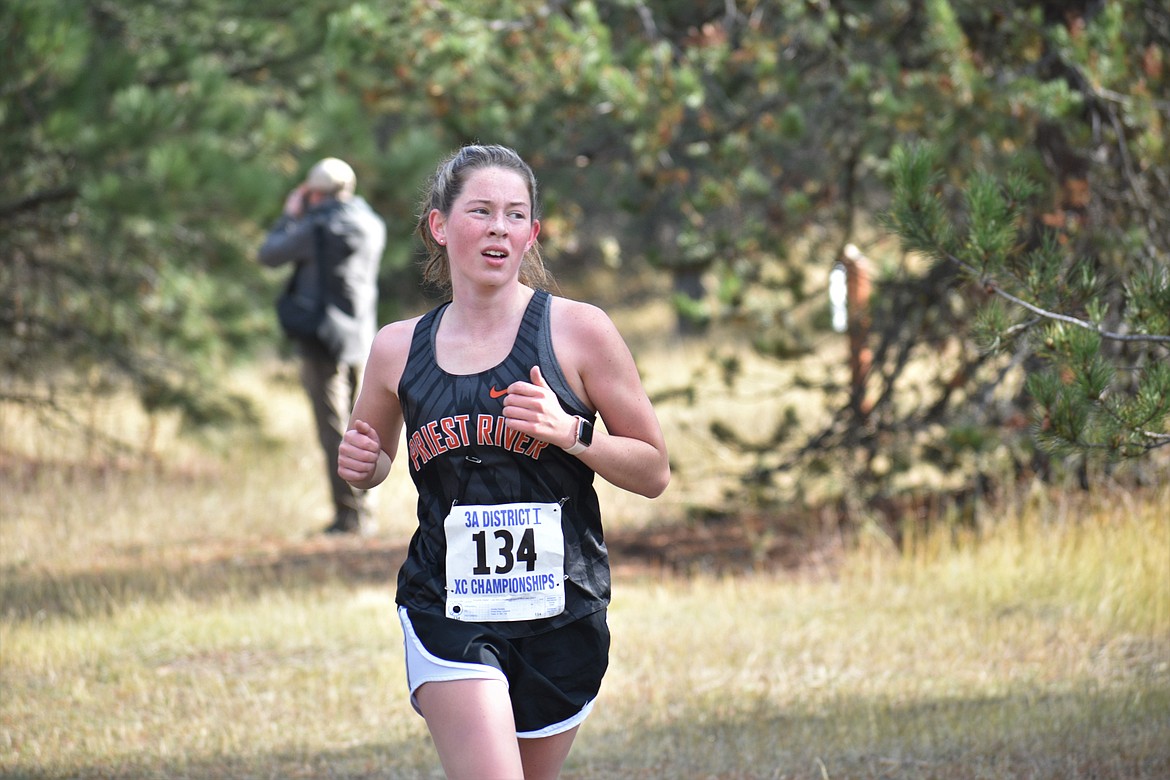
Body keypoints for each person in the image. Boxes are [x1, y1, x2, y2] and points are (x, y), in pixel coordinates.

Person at [337, 144, 670, 779]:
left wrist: (573, 435)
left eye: (516, 215)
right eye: (481, 211)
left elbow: (653, 470)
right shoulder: (397, 348)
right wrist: (363, 465)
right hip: (445, 604)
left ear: (532, 234)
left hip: (561, 610)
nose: (499, 227)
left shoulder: (579, 331)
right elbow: (374, 457)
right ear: (440, 225)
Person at [259, 157, 386, 535]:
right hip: (362, 339)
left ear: (315, 193)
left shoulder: (314, 227)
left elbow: (269, 255)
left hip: (322, 342)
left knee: (334, 431)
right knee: (365, 430)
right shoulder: (371, 223)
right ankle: (366, 511)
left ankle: (349, 517)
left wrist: (289, 216)